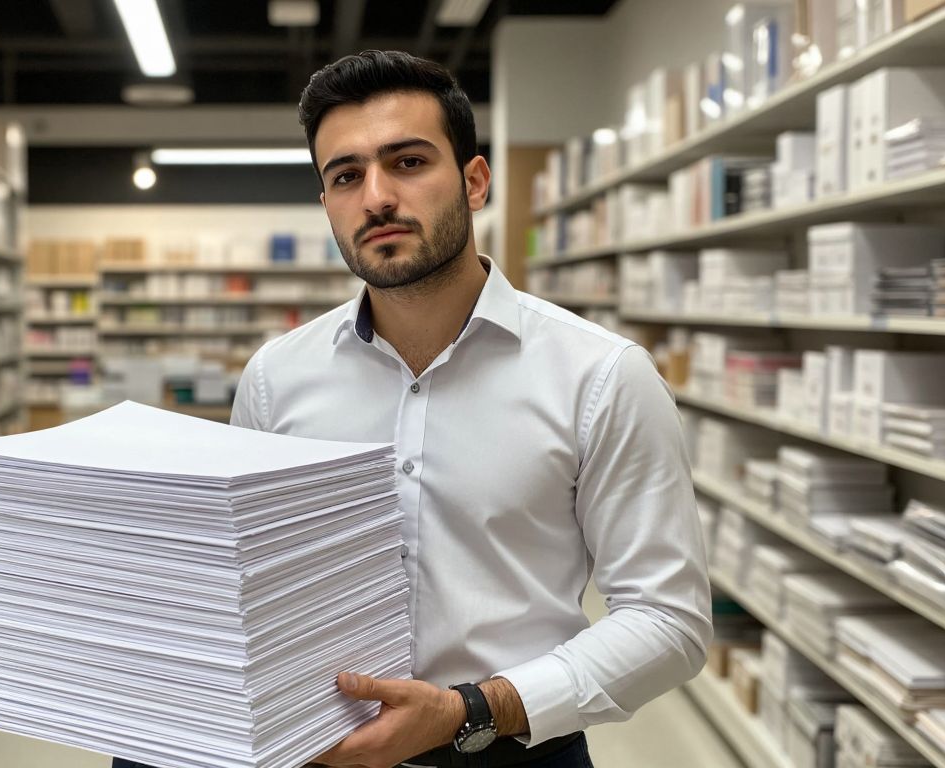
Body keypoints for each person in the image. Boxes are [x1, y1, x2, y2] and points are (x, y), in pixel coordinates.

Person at [114, 50, 711, 768]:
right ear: (326, 203)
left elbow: (668, 620)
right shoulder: (277, 378)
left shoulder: (601, 377)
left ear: (475, 181)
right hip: (311, 747)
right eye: (345, 176)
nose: (375, 197)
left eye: (407, 163)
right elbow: (249, 584)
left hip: (511, 748)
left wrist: (472, 711)